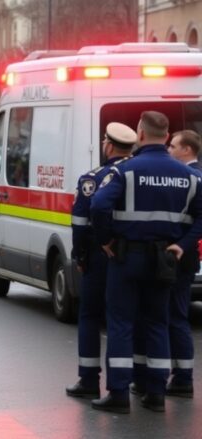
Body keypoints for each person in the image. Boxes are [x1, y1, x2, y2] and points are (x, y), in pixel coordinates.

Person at [90, 111, 202, 414]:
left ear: (140, 134)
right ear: (166, 137)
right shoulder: (190, 176)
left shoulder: (126, 170)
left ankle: (118, 393)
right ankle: (155, 393)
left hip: (127, 257)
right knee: (157, 323)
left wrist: (105, 239)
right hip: (165, 259)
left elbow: (99, 204)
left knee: (121, 323)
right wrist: (183, 244)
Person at [64, 122, 136, 400]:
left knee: (90, 315)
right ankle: (137, 380)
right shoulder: (137, 174)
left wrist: (80, 254)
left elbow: (80, 222)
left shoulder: (93, 178)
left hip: (97, 255)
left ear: (108, 145)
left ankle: (89, 379)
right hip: (130, 253)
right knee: (128, 318)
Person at [161, 129, 201, 397]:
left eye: (173, 146)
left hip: (181, 258)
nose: (169, 150)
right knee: (174, 315)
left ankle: (183, 378)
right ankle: (179, 375)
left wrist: (181, 246)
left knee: (175, 316)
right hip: (183, 258)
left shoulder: (193, 177)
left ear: (187, 150)